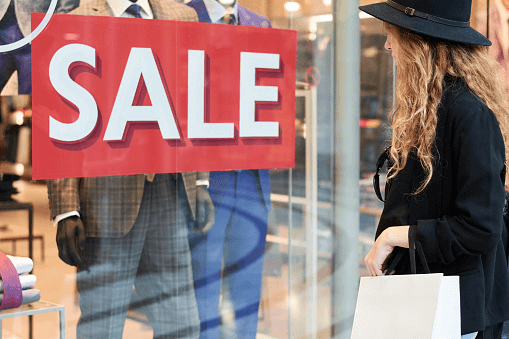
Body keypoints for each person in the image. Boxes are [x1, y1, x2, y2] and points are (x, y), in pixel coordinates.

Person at [46, 1, 215, 338]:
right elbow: (62, 115)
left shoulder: (183, 16)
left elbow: (194, 101)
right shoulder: (75, 21)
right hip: (106, 200)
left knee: (182, 324)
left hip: (171, 194)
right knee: (102, 327)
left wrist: (200, 181)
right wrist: (65, 208)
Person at [359, 0, 509, 338]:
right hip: (421, 297)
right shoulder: (429, 111)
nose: (387, 46)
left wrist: (396, 237)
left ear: (418, 42)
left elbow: (481, 227)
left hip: (451, 310)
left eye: (392, 35)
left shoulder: (468, 115)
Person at [185, 1, 271, 338]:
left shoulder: (259, 24)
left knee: (248, 288)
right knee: (203, 285)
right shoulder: (184, 16)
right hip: (204, 179)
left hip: (251, 178)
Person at [0, 0, 80, 95]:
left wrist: (53, 28)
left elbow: (68, 5)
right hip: (3, 30)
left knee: (30, 96)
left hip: (35, 35)